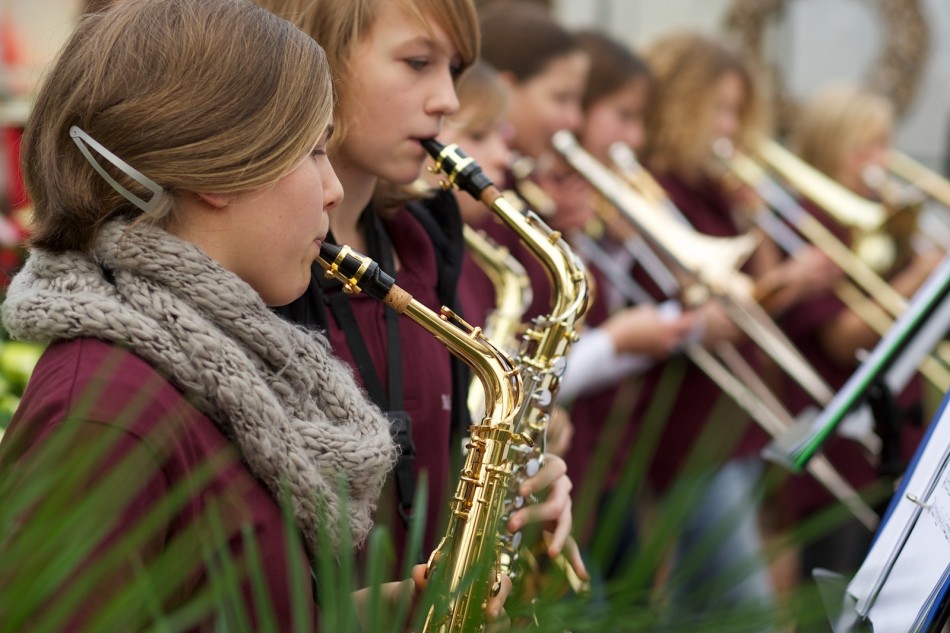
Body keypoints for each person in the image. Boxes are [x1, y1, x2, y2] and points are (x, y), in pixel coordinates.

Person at [0, 0, 403, 629]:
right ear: (225, 162)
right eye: (314, 151)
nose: (334, 189)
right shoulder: (107, 410)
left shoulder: (209, 367)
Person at [255, 0, 580, 583]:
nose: (448, 101)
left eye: (452, 69)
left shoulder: (427, 236)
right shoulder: (258, 263)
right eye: (417, 62)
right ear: (315, 58)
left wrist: (514, 495)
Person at [635, 31, 840, 622]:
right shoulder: (660, 190)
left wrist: (757, 222)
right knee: (744, 604)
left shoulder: (716, 190)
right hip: (690, 428)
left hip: (736, 420)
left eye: (736, 111)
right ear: (682, 105)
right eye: (718, 108)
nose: (728, 125)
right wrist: (794, 283)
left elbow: (757, 297)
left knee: (703, 603)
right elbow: (720, 315)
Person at [784, 83, 936, 587]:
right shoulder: (811, 223)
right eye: (862, 147)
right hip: (840, 449)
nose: (878, 161)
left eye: (883, 144)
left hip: (896, 430)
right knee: (830, 590)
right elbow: (841, 338)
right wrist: (928, 274)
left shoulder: (891, 220)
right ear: (828, 148)